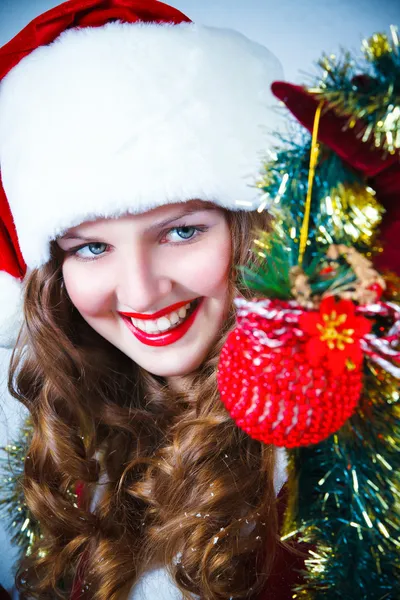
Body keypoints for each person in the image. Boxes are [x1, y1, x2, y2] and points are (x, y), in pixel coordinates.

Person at [0, 1, 302, 598]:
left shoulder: (340, 443)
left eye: (182, 231)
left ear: (252, 230)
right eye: (90, 248)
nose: (140, 292)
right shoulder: (61, 423)